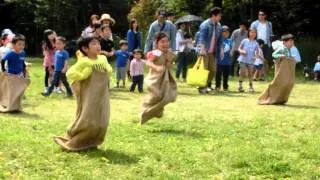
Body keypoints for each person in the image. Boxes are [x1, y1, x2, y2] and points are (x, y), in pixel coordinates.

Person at [53, 36, 112, 151]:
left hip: (102, 94)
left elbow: (108, 68)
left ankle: (92, 140)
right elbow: (70, 73)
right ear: (85, 48)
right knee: (87, 118)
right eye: (94, 44)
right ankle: (78, 140)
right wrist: (83, 75)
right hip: (89, 94)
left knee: (101, 119)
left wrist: (107, 71)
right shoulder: (84, 61)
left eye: (98, 43)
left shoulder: (103, 59)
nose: (98, 46)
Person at [141, 32, 177, 124]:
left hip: (165, 79)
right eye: (162, 42)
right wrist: (156, 67)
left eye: (166, 42)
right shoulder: (155, 53)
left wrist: (169, 61)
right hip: (154, 79)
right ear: (157, 43)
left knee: (168, 96)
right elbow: (148, 63)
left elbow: (169, 66)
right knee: (157, 95)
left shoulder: (170, 53)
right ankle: (146, 111)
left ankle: (157, 110)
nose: (165, 44)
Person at [258, 34, 297, 105]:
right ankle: (266, 97)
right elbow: (274, 55)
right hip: (279, 68)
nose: (292, 43)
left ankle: (279, 99)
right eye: (290, 41)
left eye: (293, 42)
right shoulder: (282, 48)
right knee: (278, 83)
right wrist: (280, 56)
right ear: (284, 42)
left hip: (284, 70)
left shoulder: (289, 49)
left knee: (286, 83)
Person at [0, 34, 30, 112]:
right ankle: (9, 106)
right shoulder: (10, 53)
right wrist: (3, 70)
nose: (21, 46)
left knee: (19, 91)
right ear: (13, 45)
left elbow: (22, 62)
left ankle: (17, 106)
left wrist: (24, 71)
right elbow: (3, 60)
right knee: (12, 92)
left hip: (19, 75)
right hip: (11, 75)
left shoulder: (22, 52)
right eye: (19, 44)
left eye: (23, 44)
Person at [198, 7, 224, 94]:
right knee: (204, 70)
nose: (220, 17)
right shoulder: (204, 25)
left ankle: (205, 85)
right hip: (204, 51)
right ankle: (202, 87)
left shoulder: (219, 26)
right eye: (219, 16)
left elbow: (220, 39)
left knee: (213, 70)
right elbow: (202, 38)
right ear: (213, 15)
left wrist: (221, 49)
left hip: (212, 52)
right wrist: (202, 49)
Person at [250, 10, 273, 78]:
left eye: (262, 14)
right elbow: (250, 33)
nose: (260, 16)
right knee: (255, 59)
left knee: (265, 60)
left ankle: (264, 76)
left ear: (265, 16)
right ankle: (253, 75)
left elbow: (271, 34)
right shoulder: (254, 23)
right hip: (256, 44)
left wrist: (271, 43)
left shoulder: (269, 24)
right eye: (259, 14)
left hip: (266, 44)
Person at [237, 28, 259, 93]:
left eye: (254, 32)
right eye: (251, 32)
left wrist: (255, 56)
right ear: (249, 33)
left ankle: (250, 86)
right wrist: (242, 51)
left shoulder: (256, 43)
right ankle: (240, 86)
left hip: (251, 61)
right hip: (243, 59)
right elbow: (239, 48)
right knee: (242, 72)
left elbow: (257, 52)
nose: (253, 34)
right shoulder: (244, 40)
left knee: (250, 73)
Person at [215, 25, 232, 92]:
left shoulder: (230, 40)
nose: (226, 33)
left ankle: (225, 87)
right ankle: (218, 86)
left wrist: (231, 52)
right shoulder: (218, 40)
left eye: (227, 31)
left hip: (227, 61)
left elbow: (231, 49)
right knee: (218, 75)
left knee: (226, 75)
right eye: (224, 31)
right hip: (219, 61)